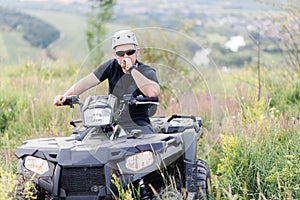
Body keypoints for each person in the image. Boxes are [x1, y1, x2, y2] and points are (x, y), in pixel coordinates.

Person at [53, 30, 160, 133]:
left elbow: (152, 92)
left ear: (137, 52)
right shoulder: (111, 66)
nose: (125, 56)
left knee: (145, 148)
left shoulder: (146, 71)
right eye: (121, 53)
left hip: (138, 122)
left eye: (130, 52)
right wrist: (64, 97)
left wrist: (132, 69)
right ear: (115, 55)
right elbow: (86, 82)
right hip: (109, 120)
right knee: (86, 139)